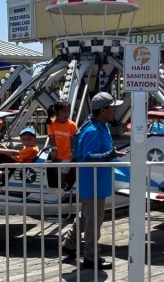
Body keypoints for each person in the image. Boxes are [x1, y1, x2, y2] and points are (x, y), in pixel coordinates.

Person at [60, 93, 128, 269]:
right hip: (93, 183)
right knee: (94, 221)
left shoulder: (99, 126)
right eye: (112, 107)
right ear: (104, 110)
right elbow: (87, 158)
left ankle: (69, 244)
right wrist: (110, 155)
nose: (115, 110)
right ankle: (91, 257)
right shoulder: (93, 131)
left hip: (96, 182)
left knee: (87, 217)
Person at [45, 100, 78, 189]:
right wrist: (54, 149)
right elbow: (51, 137)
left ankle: (64, 189)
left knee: (62, 174)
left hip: (68, 155)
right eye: (63, 111)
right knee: (56, 173)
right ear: (56, 112)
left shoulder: (72, 125)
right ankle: (60, 190)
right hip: (57, 155)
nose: (66, 114)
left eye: (68, 111)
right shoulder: (51, 123)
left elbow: (76, 140)